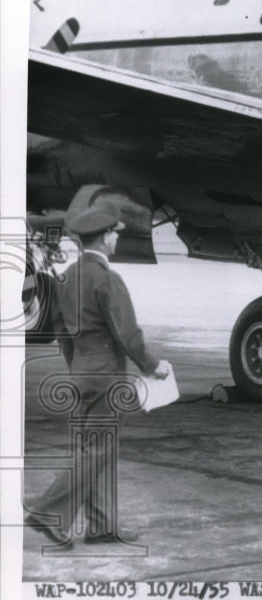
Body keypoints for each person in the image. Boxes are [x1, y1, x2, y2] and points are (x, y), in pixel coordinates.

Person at [24, 199, 168, 549]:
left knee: (96, 449)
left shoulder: (68, 277)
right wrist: (153, 366)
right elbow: (127, 333)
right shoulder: (107, 279)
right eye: (114, 235)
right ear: (104, 238)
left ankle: (102, 526)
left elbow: (62, 331)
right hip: (105, 377)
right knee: (97, 451)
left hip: (80, 373)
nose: (117, 241)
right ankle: (48, 512)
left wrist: (77, 366)